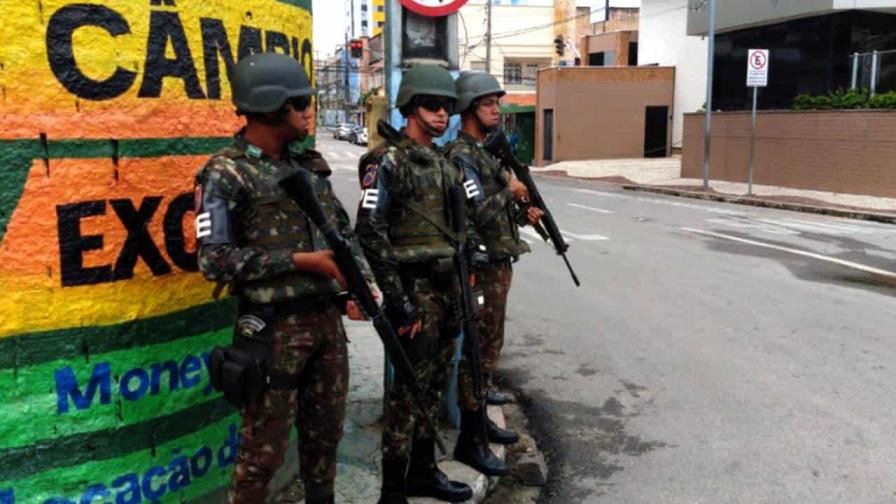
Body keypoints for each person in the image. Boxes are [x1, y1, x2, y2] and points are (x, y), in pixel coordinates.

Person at [194, 52, 369, 504]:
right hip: (272, 331)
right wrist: (300, 260)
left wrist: (359, 287)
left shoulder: (308, 164)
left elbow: (343, 234)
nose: (309, 110)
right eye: (300, 103)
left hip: (326, 325)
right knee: (262, 455)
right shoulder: (227, 172)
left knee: (325, 437)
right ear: (273, 109)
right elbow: (214, 260)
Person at [355, 64, 481, 504]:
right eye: (432, 106)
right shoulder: (388, 162)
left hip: (447, 291)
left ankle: (424, 473)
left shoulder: (446, 165)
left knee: (433, 385)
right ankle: (393, 489)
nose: (442, 114)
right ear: (410, 108)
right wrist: (397, 299)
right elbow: (369, 230)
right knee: (408, 393)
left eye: (447, 106)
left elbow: (462, 229)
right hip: (414, 292)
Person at [445, 71, 544, 475]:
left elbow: (498, 214)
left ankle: (481, 421)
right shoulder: (462, 156)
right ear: (470, 109)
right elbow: (475, 212)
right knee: (477, 352)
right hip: (480, 267)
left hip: (497, 263)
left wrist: (523, 211)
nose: (497, 111)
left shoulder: (485, 154)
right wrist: (511, 192)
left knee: (490, 348)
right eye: (489, 105)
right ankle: (471, 438)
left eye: (497, 103)